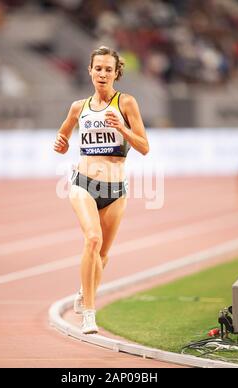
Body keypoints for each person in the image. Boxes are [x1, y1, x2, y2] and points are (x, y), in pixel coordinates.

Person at [54, 46, 149, 334]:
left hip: (116, 190)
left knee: (104, 255)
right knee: (92, 240)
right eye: (98, 68)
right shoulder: (78, 106)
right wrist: (62, 143)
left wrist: (122, 128)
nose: (103, 73)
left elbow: (144, 147)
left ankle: (84, 292)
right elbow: (63, 133)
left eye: (109, 69)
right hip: (83, 182)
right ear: (90, 71)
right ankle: (89, 314)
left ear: (116, 73)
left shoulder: (127, 104)